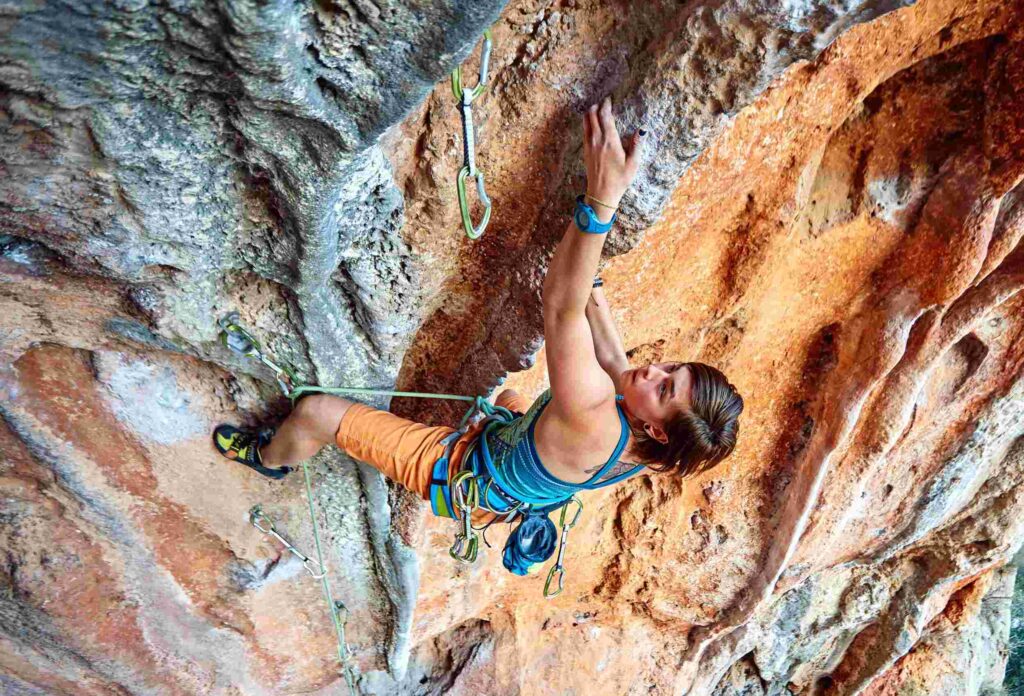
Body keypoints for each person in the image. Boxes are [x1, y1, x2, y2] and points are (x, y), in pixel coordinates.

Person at [213, 96, 743, 565]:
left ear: (655, 428)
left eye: (665, 388)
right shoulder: (650, 444)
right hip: (512, 476)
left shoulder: (595, 417)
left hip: (457, 473)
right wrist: (592, 276)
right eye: (673, 368)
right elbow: (612, 354)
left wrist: (601, 204)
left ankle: (269, 459)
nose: (655, 370)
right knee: (514, 396)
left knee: (314, 413)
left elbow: (561, 306)